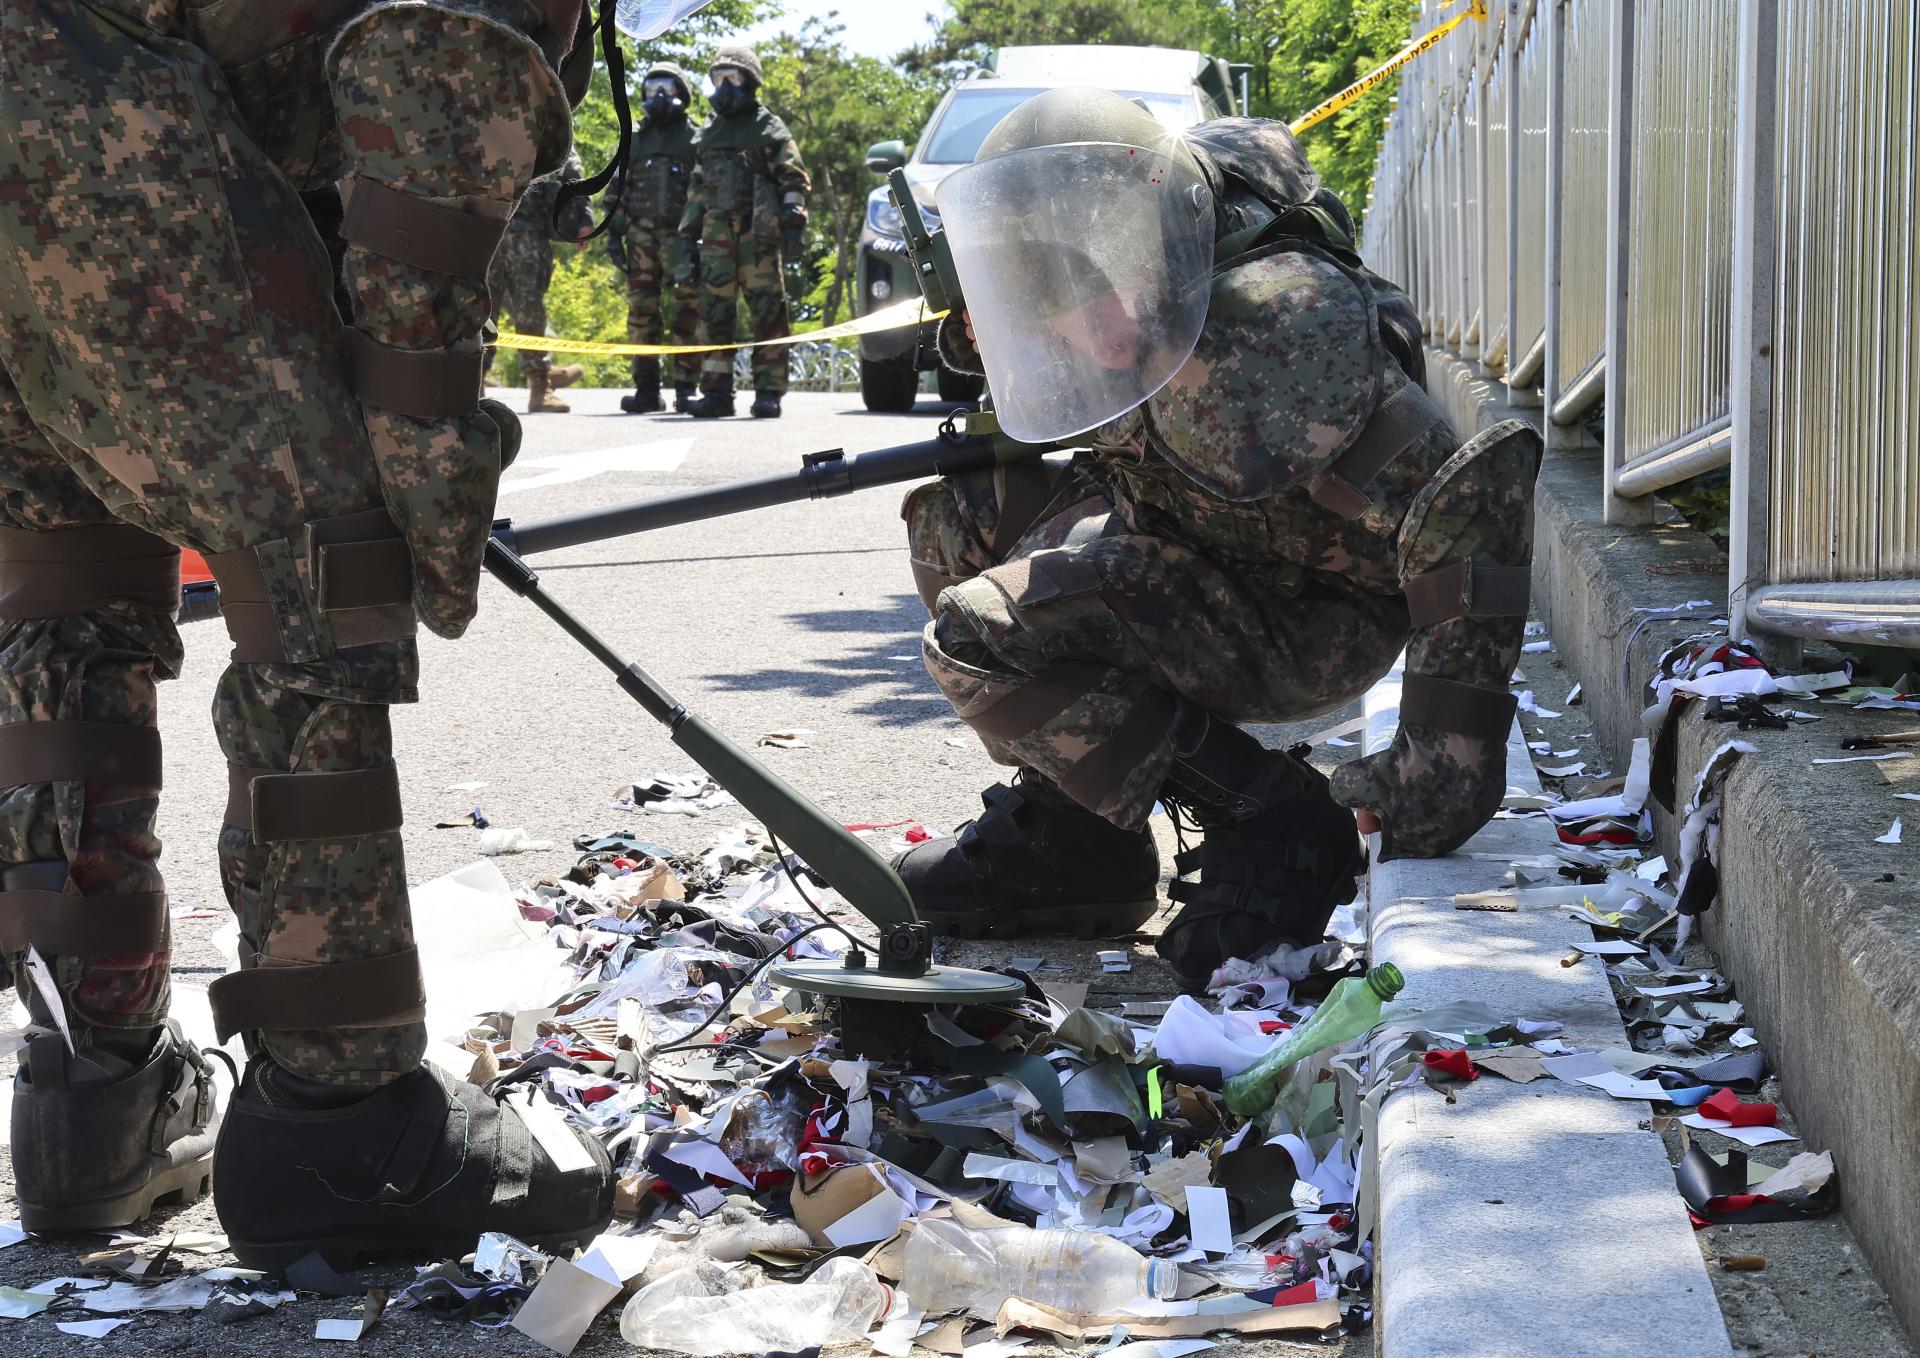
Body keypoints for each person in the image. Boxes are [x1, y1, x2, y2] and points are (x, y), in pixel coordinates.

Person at [0, 0, 613, 1266]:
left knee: (63, 596)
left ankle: (92, 1104)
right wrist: (427, 474)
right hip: (114, 137)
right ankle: (346, 1121)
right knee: (321, 580)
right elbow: (436, 118)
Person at [895, 90, 1541, 985]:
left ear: (1152, 242)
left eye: (1094, 282)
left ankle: (1274, 821)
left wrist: (1441, 765)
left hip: (1307, 610)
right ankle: (1085, 843)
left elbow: (1472, 496)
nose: (1087, 317)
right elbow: (1053, 396)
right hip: (1192, 528)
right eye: (1048, 293)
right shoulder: (1140, 262)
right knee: (958, 520)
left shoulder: (1267, 350)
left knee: (980, 631)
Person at [677, 44, 810, 420]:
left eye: (731, 79)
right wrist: (687, 237)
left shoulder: (768, 127)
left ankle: (768, 392)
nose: (723, 87)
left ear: (750, 82)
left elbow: (793, 176)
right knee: (715, 312)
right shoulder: (710, 130)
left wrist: (794, 221)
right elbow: (697, 188)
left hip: (759, 232)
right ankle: (717, 392)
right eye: (718, 79)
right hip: (717, 232)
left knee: (768, 310)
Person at [604, 60, 703, 415]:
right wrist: (613, 235)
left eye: (666, 88)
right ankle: (646, 389)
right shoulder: (636, 138)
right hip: (640, 239)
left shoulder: (696, 138)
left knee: (686, 313)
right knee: (641, 316)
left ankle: (686, 389)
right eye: (651, 88)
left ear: (682, 93)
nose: (657, 96)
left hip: (682, 238)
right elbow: (617, 189)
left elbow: (707, 189)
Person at [488, 148, 592, 414]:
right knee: (514, 309)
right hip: (506, 230)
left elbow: (569, 170)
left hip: (495, 229)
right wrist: (583, 218)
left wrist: (583, 218)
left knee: (501, 309)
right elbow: (569, 167)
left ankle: (540, 382)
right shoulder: (542, 115)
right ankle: (538, 382)